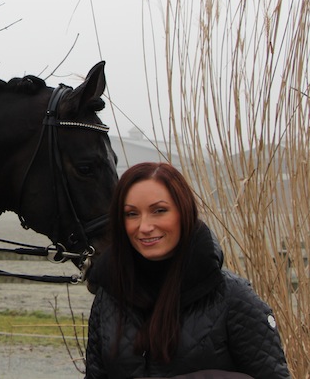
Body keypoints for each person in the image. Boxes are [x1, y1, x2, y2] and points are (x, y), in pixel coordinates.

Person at [85, 162, 290, 379]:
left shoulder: (233, 298)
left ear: (183, 212)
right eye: (131, 214)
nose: (144, 226)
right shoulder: (108, 297)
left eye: (159, 210)